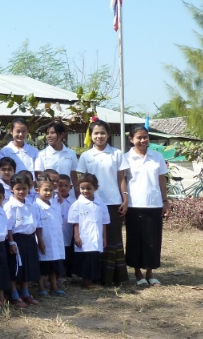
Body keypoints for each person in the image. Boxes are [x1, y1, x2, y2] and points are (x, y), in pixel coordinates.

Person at [76, 118, 130, 286]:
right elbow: (81, 181)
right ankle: (93, 276)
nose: (99, 136)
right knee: (93, 239)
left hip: (113, 203)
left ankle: (113, 277)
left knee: (112, 239)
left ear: (108, 135)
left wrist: (125, 198)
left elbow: (121, 179)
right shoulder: (86, 156)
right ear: (91, 135)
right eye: (96, 133)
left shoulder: (117, 154)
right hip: (91, 203)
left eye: (102, 133)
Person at [124, 124, 169, 287]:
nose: (143, 140)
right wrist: (124, 201)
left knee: (153, 240)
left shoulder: (157, 157)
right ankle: (137, 273)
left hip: (154, 204)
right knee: (135, 240)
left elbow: (161, 180)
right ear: (131, 139)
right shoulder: (125, 158)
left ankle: (150, 273)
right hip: (133, 205)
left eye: (145, 137)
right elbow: (123, 181)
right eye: (139, 137)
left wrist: (165, 201)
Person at [68, 174, 111, 290]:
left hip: (96, 236)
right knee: (86, 259)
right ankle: (87, 282)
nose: (85, 191)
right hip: (84, 237)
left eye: (88, 188)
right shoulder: (77, 204)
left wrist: (104, 238)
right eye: (82, 188)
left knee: (94, 258)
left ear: (96, 188)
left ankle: (92, 280)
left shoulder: (100, 204)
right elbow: (75, 222)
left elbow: (104, 222)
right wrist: (77, 236)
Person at [5, 173, 42, 307]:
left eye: (24, 188)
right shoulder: (10, 206)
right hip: (17, 239)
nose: (21, 191)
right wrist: (11, 242)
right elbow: (8, 226)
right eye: (18, 188)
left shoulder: (31, 204)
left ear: (29, 188)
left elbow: (36, 223)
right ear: (12, 189)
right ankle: (14, 294)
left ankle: (25, 293)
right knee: (16, 268)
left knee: (27, 266)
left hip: (30, 238)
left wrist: (38, 239)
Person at [34, 174, 66, 297]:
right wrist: (40, 241)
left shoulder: (54, 204)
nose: (48, 193)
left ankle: (54, 286)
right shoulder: (36, 206)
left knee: (54, 262)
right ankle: (41, 286)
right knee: (42, 264)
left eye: (51, 190)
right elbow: (37, 226)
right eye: (45, 190)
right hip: (44, 239)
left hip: (55, 239)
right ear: (37, 190)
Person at [34, 122, 79, 189]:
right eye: (47, 133)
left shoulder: (71, 153)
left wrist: (77, 192)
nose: (49, 136)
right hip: (50, 192)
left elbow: (74, 176)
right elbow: (40, 176)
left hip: (68, 192)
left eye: (52, 133)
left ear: (62, 135)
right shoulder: (41, 154)